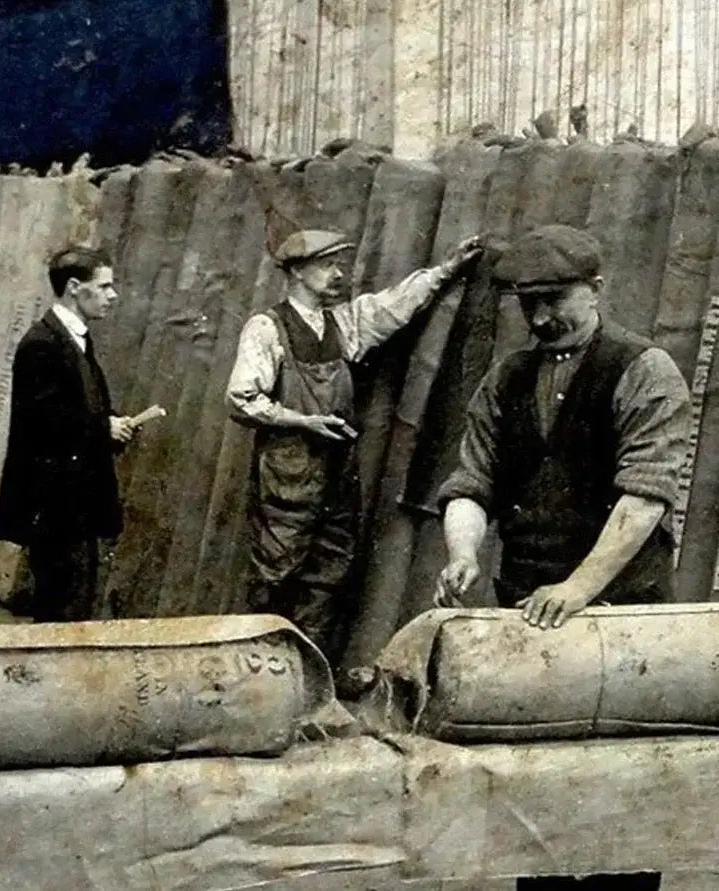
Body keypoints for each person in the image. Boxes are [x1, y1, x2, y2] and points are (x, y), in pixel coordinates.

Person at [226, 229, 483, 666]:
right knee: (277, 573)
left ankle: (307, 680)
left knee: (328, 574)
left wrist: (445, 270)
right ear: (297, 272)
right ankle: (259, 677)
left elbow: (393, 306)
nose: (338, 273)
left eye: (339, 264)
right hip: (288, 475)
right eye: (327, 265)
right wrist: (302, 421)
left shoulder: (342, 324)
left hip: (337, 471)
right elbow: (241, 398)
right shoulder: (267, 327)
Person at [435, 224, 691, 629]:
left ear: (596, 290)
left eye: (554, 300)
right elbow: (472, 482)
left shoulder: (645, 369)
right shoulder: (506, 378)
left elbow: (645, 496)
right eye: (528, 304)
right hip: (527, 601)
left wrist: (578, 588)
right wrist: (463, 555)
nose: (539, 318)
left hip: (622, 608)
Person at [0, 246, 135, 622]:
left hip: (76, 503)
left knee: (77, 598)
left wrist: (111, 422)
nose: (112, 296)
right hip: (55, 506)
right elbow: (44, 424)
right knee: (61, 605)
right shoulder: (42, 344)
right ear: (74, 287)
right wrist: (104, 427)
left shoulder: (75, 338)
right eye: (103, 286)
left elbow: (80, 405)